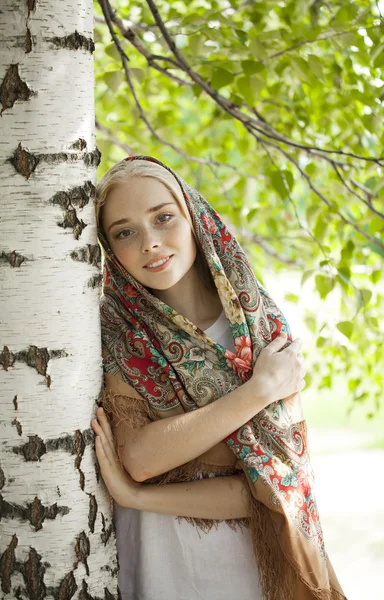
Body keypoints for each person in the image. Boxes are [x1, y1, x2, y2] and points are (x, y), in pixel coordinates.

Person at [91, 155, 346, 600]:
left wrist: (140, 496)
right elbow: (141, 458)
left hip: (254, 569)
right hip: (161, 566)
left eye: (163, 218)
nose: (150, 242)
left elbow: (273, 484)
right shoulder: (117, 335)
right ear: (109, 248)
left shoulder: (261, 328)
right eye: (124, 232)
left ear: (194, 217)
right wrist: (259, 390)